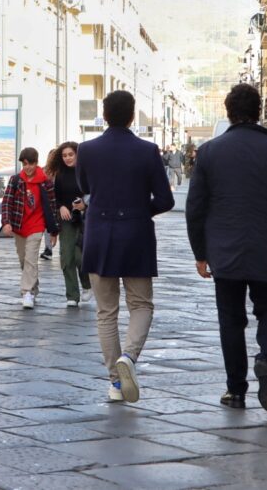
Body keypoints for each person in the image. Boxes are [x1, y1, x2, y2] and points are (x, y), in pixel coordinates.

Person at [186, 83, 267, 411]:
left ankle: (236, 390)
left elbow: (195, 208)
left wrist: (200, 253)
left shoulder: (210, 151)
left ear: (228, 112)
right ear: (259, 111)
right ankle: (266, 358)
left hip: (224, 251)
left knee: (230, 319)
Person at [77, 91, 175, 403]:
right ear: (133, 116)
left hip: (99, 233)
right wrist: (138, 209)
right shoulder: (147, 150)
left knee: (106, 311)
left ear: (104, 115)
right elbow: (165, 199)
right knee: (141, 304)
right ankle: (129, 358)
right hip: (135, 233)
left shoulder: (86, 149)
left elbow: (85, 187)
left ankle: (115, 383)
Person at [1, 148, 59, 309]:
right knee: (23, 259)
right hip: (19, 225)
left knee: (31, 259)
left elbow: (52, 207)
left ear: (36, 163)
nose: (28, 167)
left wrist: (54, 231)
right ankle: (33, 286)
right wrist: (6, 222)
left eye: (31, 164)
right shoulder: (15, 180)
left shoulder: (45, 182)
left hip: (37, 225)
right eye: (25, 164)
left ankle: (26, 292)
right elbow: (7, 202)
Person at [46, 141, 92, 306]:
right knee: (66, 256)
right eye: (64, 155)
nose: (67, 158)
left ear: (78, 154)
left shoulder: (87, 172)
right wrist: (61, 207)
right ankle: (72, 295)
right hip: (66, 219)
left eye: (70, 154)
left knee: (80, 256)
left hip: (85, 219)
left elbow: (95, 193)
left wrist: (84, 205)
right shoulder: (58, 174)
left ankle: (87, 284)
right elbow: (53, 197)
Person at [40, 148, 58, 261]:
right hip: (46, 203)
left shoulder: (61, 171)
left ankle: (49, 248)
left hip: (58, 202)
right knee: (48, 226)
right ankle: (48, 248)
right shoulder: (43, 170)